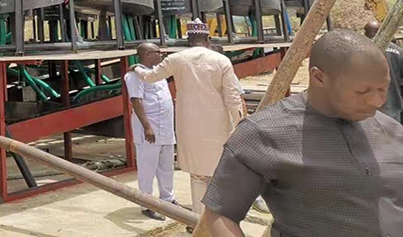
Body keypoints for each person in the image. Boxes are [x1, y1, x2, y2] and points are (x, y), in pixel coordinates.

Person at [200, 29, 403, 237]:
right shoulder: (263, 134)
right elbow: (221, 214)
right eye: (362, 91)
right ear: (319, 78)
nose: (377, 101)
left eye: (382, 89)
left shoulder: (392, 131)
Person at [132, 19, 245, 222]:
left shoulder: (177, 59)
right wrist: (240, 124)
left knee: (198, 176)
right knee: (219, 172)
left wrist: (136, 69)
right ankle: (220, 220)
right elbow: (233, 98)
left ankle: (199, 223)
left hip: (189, 127)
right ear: (208, 38)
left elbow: (150, 77)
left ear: (188, 39)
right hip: (218, 126)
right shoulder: (221, 61)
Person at [125, 42, 177, 220]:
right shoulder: (134, 76)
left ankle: (168, 199)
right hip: (150, 129)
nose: (161, 55)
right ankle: (147, 203)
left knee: (166, 166)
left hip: (166, 128)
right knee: (147, 168)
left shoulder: (157, 74)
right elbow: (136, 100)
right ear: (147, 54)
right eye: (158, 52)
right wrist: (147, 127)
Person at [365, 19, 403, 123]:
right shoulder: (399, 52)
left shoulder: (362, 52)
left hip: (371, 111)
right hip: (394, 109)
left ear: (365, 34)